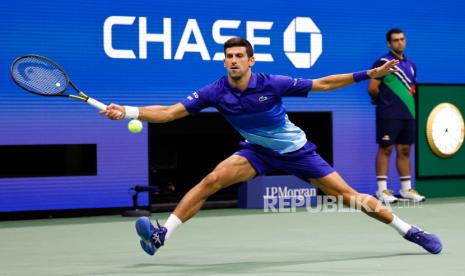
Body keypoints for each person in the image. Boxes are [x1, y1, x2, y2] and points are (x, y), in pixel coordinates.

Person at [101, 37, 442, 256]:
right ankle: (162, 235)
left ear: (251, 60)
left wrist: (368, 73)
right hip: (256, 151)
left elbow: (322, 84)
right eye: (228, 56)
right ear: (224, 62)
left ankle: (410, 230)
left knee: (351, 198)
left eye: (239, 56)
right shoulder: (215, 91)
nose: (233, 61)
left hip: (298, 152)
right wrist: (128, 111)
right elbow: (170, 112)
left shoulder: (272, 84)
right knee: (210, 181)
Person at [368, 29, 426, 203]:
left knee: (405, 150)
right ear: (389, 43)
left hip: (408, 115)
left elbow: (411, 90)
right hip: (388, 114)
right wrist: (385, 104)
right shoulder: (383, 62)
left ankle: (406, 189)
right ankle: (382, 190)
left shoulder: (411, 65)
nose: (399, 43)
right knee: (386, 149)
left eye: (402, 39)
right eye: (395, 40)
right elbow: (372, 88)